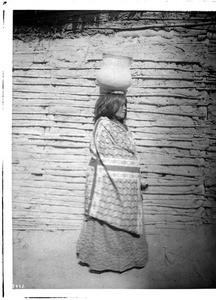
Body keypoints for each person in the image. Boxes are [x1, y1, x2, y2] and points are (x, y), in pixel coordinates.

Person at [76, 92, 148, 273]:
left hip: (126, 181)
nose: (125, 108)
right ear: (110, 106)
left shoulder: (122, 126)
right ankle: (103, 262)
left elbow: (130, 153)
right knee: (107, 218)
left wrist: (137, 175)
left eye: (126, 105)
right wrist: (132, 167)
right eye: (121, 105)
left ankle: (129, 259)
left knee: (127, 216)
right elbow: (110, 153)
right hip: (107, 180)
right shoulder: (103, 125)